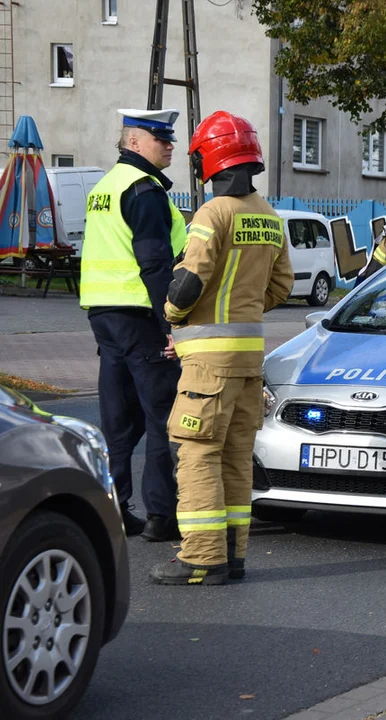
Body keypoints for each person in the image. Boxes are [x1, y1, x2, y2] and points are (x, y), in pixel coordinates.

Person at [150, 111, 293, 586]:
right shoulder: (269, 216)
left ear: (209, 160)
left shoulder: (213, 213)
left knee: (196, 454)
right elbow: (282, 287)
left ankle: (202, 558)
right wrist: (243, 309)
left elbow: (189, 282)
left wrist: (174, 317)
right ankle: (233, 557)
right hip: (250, 362)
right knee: (234, 458)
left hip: (207, 367)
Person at [79, 108, 188, 541]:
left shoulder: (105, 186)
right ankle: (162, 515)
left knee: (119, 420)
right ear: (135, 142)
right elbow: (155, 263)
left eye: (170, 139)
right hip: (141, 314)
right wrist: (171, 324)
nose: (170, 146)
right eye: (161, 139)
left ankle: (115, 510)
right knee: (162, 415)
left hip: (104, 316)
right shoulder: (143, 190)